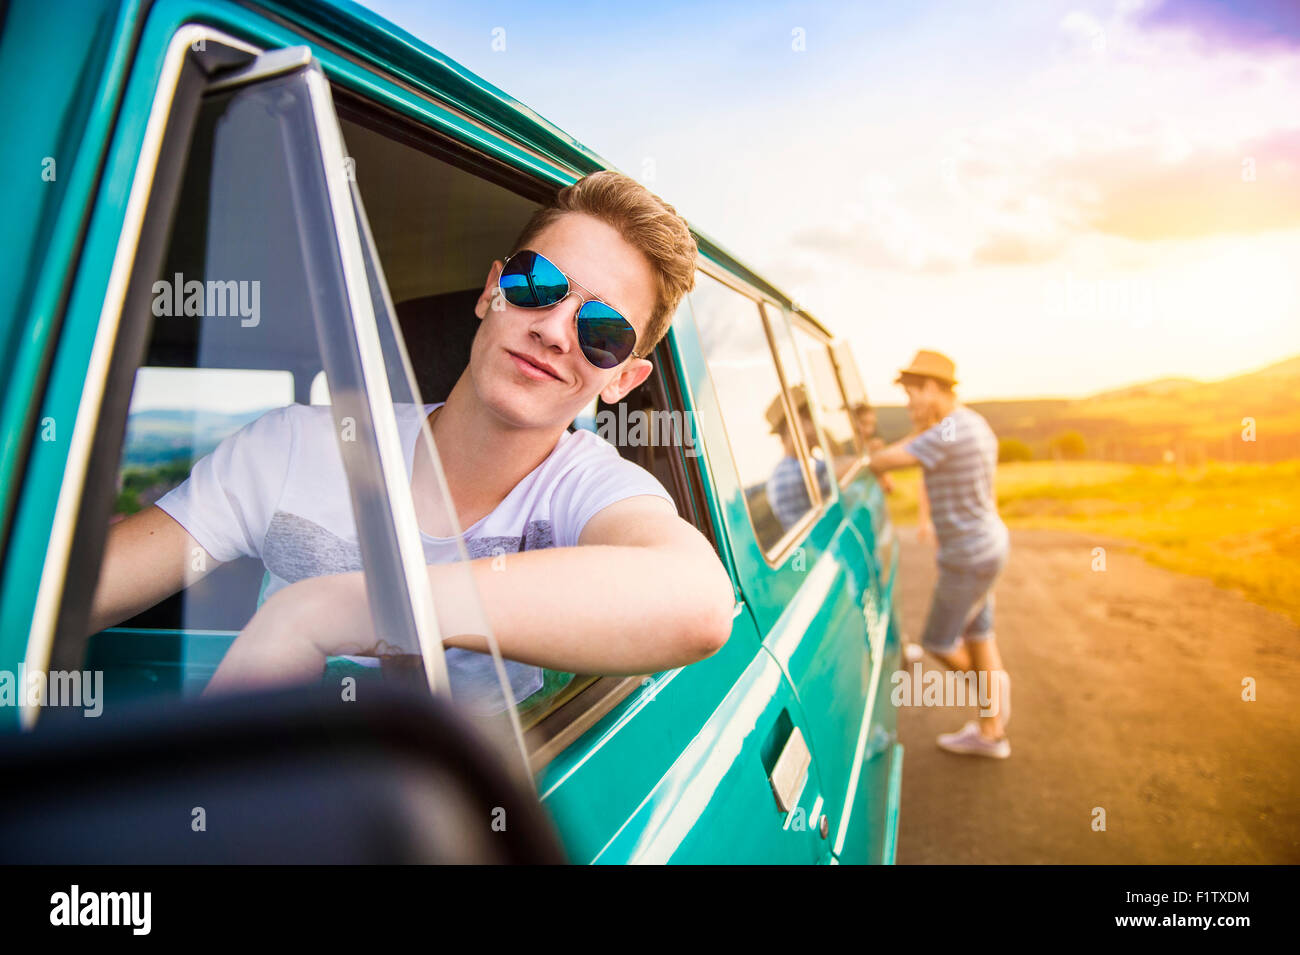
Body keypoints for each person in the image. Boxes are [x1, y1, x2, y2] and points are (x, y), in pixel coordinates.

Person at [87, 171, 736, 699]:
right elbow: (62, 601)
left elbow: (701, 602)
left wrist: (321, 611)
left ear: (624, 379)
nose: (554, 329)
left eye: (603, 331)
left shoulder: (588, 490)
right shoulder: (298, 446)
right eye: (537, 284)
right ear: (492, 292)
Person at [867, 350, 1013, 758]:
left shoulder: (951, 432)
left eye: (913, 393)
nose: (909, 402)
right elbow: (915, 444)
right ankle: (991, 732)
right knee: (979, 633)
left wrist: (858, 462)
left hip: (969, 556)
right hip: (987, 546)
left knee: (938, 640)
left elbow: (887, 460)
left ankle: (993, 699)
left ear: (933, 389)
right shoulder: (967, 423)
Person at [764, 384, 831, 532]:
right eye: (810, 419)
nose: (817, 426)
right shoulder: (790, 473)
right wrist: (825, 439)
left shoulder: (806, 464)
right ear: (793, 426)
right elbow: (836, 468)